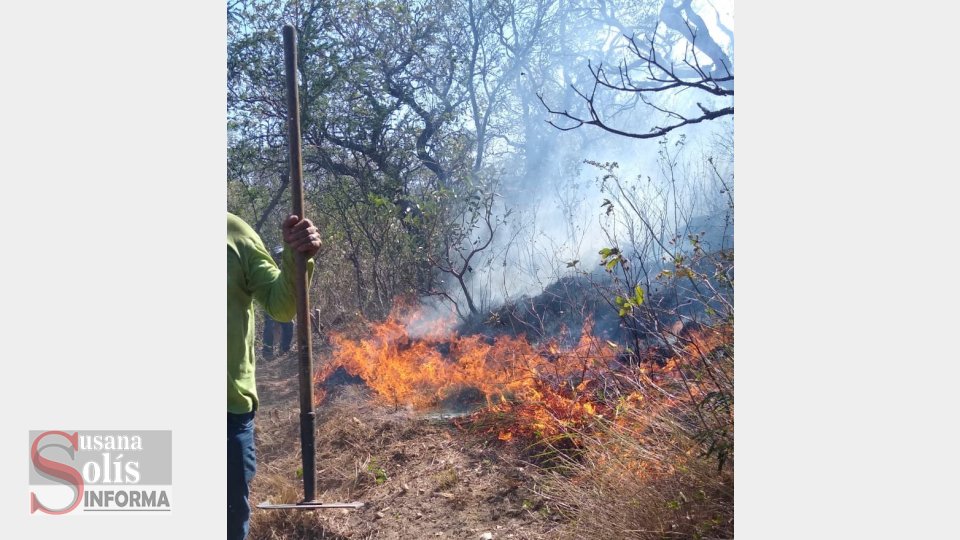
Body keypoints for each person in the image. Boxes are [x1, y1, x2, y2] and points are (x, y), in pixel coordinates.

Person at [227, 212, 321, 540]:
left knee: (228, 517)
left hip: (227, 410)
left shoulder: (233, 233)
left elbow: (281, 307)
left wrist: (299, 257)